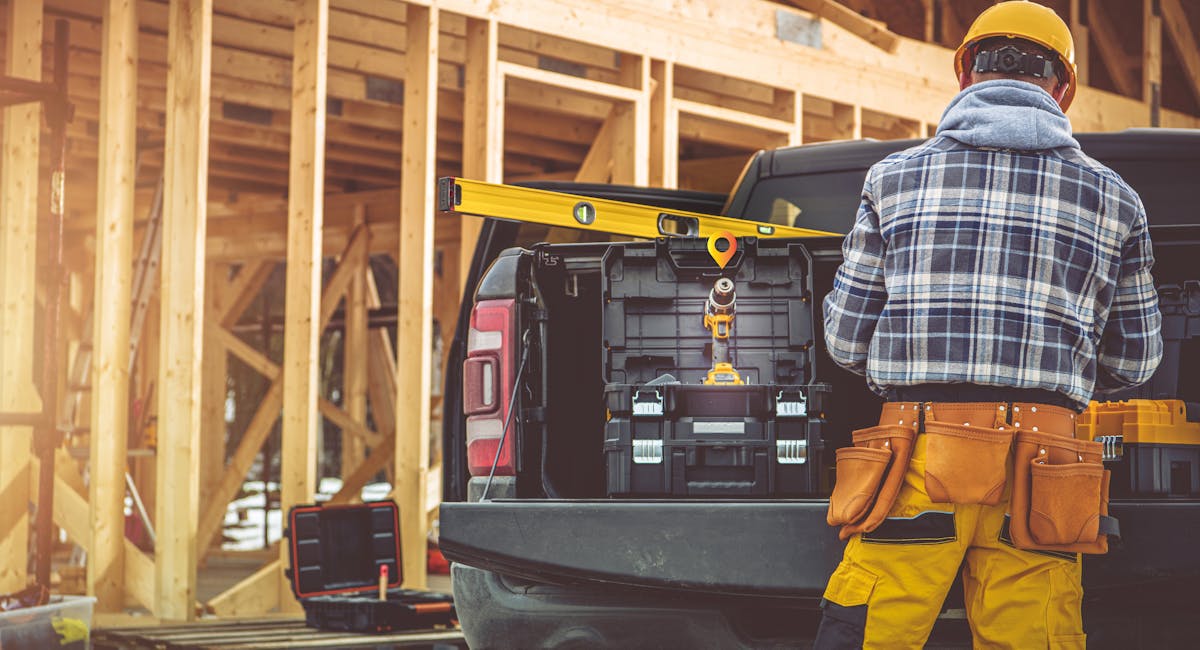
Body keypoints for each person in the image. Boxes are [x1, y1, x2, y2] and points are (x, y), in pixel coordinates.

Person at [814, 2, 1163, 648]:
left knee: (865, 634)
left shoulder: (892, 181)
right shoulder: (1118, 201)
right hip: (1047, 476)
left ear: (965, 73)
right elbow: (1136, 361)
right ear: (1063, 88)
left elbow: (843, 340)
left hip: (915, 464)